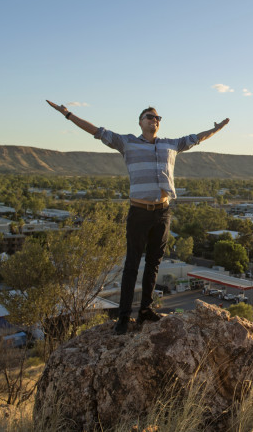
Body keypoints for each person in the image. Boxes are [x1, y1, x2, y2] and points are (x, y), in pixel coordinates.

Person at [46, 100, 229, 335]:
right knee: (132, 265)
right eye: (150, 117)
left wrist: (216, 129)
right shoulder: (127, 142)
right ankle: (123, 317)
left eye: (158, 118)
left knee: (153, 264)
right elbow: (96, 131)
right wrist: (68, 114)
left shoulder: (170, 145)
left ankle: (145, 311)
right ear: (140, 122)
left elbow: (197, 137)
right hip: (139, 212)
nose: (155, 120)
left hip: (163, 212)